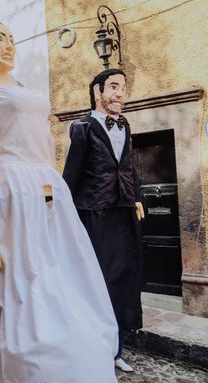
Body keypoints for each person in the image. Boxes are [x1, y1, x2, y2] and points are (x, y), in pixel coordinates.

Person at [0, 16, 118, 382]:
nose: (10, 43)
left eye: (12, 37)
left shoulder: (26, 89)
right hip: (5, 196)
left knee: (65, 282)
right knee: (12, 295)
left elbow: (44, 147)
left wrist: (53, 190)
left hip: (46, 196)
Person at [63, 68, 145, 373]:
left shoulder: (125, 125)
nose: (120, 93)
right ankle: (94, 349)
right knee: (98, 283)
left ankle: (117, 350)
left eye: (123, 88)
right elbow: (71, 175)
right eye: (113, 87)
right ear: (98, 91)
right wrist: (62, 213)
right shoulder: (82, 127)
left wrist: (136, 197)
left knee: (125, 281)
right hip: (94, 214)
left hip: (124, 211)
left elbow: (129, 167)